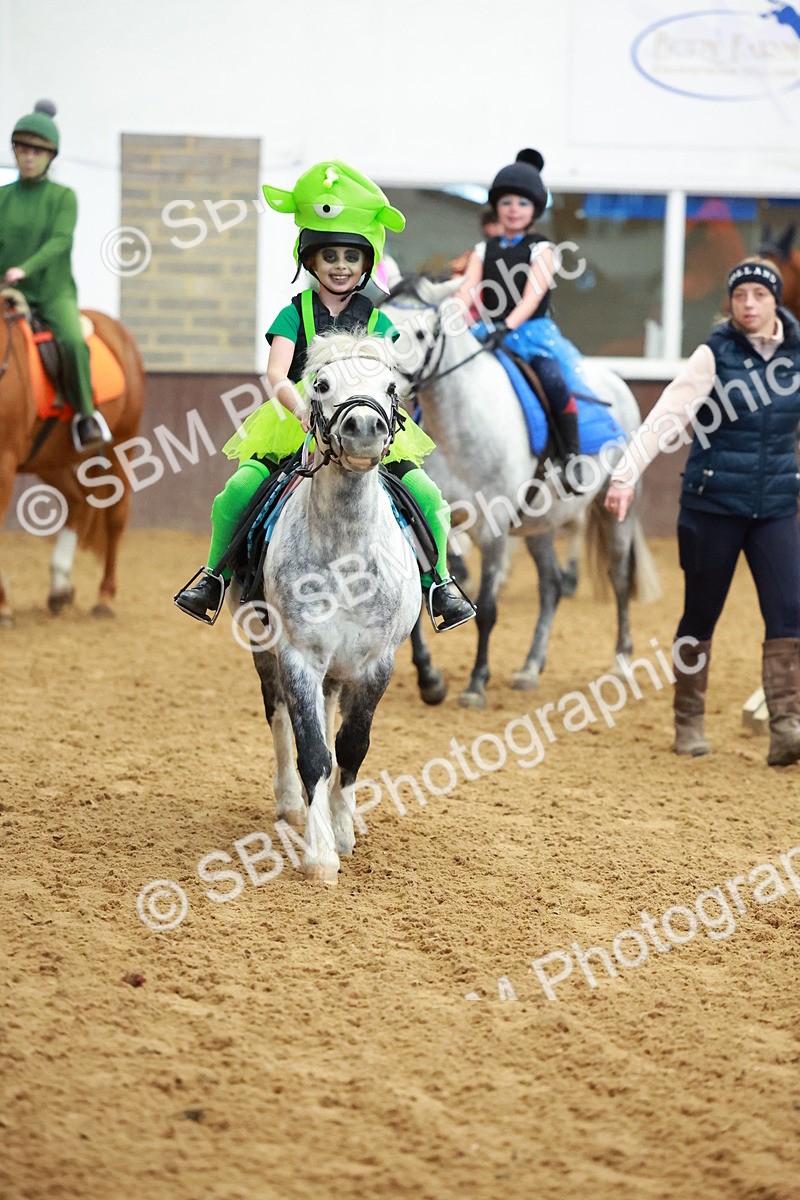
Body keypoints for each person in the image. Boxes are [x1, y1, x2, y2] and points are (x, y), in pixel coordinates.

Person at [175, 159, 475, 632]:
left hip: (364, 421)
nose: (340, 266)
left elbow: (389, 379)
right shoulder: (294, 314)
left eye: (351, 258)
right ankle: (214, 576)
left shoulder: (379, 321)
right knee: (237, 491)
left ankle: (440, 584)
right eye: (330, 256)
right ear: (310, 261)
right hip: (296, 420)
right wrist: (298, 411)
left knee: (428, 495)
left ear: (365, 264)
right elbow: (276, 373)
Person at [605, 256, 800, 767]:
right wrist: (626, 474)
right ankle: (688, 721)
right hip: (712, 504)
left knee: (789, 614)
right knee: (701, 615)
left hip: (776, 506)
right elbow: (666, 416)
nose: (750, 305)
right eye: (740, 297)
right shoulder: (713, 355)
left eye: (759, 296)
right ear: (730, 305)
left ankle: (787, 727)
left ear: (775, 300)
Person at [453, 148, 595, 484]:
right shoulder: (482, 250)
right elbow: (467, 290)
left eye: (522, 203)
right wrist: (454, 315)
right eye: (506, 202)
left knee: (554, 382)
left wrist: (507, 325)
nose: (513, 209)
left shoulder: (542, 248)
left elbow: (533, 296)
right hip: (488, 332)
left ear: (534, 209)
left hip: (530, 334)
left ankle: (570, 456)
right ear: (496, 208)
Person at [0, 100, 108, 452]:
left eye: (37, 150)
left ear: (50, 156)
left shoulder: (63, 197)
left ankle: (85, 415)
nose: (28, 156)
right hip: (6, 292)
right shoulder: (3, 197)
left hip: (51, 293)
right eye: (22, 148)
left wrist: (24, 268)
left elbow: (60, 242)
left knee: (73, 341)